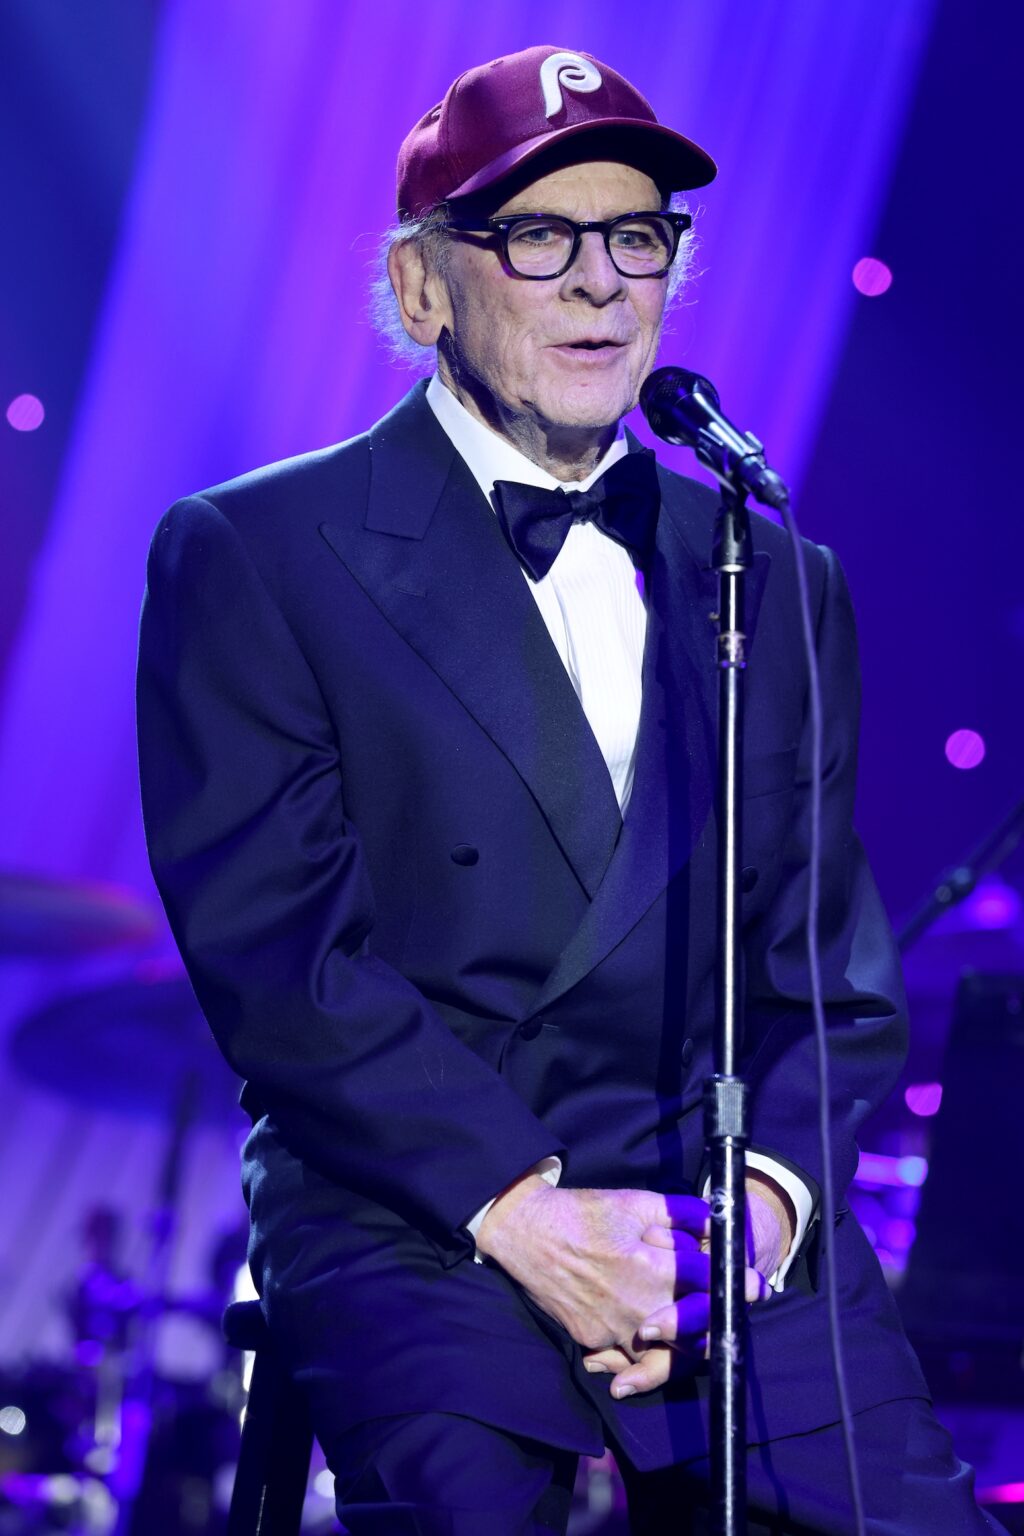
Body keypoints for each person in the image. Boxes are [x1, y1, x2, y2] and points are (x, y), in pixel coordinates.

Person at [136, 44, 1003, 1536]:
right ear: (423, 290)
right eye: (539, 235)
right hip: (423, 1205)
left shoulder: (773, 572)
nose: (602, 280)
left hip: (718, 1212)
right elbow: (288, 963)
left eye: (638, 237)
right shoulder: (256, 552)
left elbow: (827, 973)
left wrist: (767, 1215)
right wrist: (525, 1218)